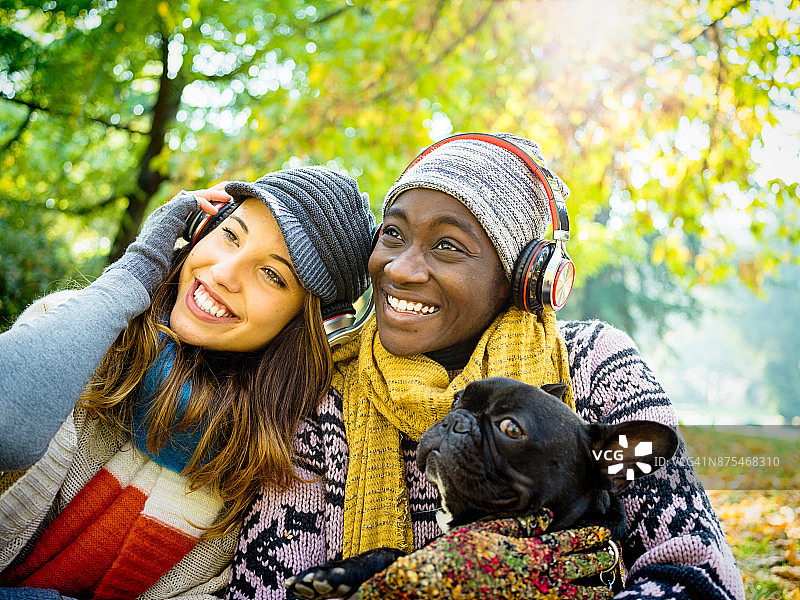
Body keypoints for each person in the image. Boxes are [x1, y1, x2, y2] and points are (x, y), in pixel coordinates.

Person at [226, 134, 745, 600]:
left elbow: (698, 570)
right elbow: (266, 589)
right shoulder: (325, 392)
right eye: (393, 235)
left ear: (519, 279)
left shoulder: (593, 362)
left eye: (447, 246)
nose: (400, 268)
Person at [0, 166, 375, 600]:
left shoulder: (269, 469)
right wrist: (134, 274)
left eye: (272, 275)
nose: (225, 273)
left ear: (317, 326)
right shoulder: (79, 324)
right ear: (199, 228)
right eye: (231, 235)